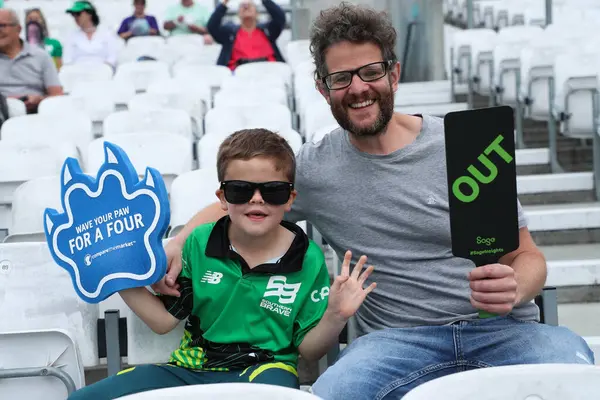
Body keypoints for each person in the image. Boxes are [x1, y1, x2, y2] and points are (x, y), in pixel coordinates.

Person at [154, 3, 596, 399]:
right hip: (395, 342)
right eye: (341, 78)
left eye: (370, 72)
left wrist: (516, 285)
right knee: (331, 394)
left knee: (577, 372)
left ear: (394, 74)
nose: (358, 88)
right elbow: (241, 197)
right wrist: (178, 242)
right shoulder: (316, 168)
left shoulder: (465, 146)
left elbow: (529, 256)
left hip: (500, 330)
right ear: (323, 88)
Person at [67, 128, 375, 399]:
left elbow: (309, 350)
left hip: (265, 370)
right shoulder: (199, 242)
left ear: (290, 198)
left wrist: (335, 315)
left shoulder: (307, 257)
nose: (257, 200)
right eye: (240, 190)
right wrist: (115, 270)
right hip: (190, 369)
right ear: (223, 198)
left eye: (273, 191)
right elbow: (163, 322)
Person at [0, 8, 63, 113]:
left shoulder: (41, 56)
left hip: (33, 114)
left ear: (18, 29)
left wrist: (40, 100)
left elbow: (57, 95)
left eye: (2, 26)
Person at [207, 0, 286, 70]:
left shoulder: (268, 31)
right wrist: (225, 2)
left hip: (269, 74)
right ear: (238, 14)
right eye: (242, 6)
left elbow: (280, 18)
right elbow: (212, 26)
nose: (246, 7)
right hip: (238, 77)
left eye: (250, 5)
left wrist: (265, 1)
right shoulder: (229, 33)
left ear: (257, 14)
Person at [63, 1, 119, 68]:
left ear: (89, 14)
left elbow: (113, 57)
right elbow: (67, 60)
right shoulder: (71, 36)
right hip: (78, 74)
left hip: (102, 73)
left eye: (78, 14)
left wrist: (102, 69)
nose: (75, 17)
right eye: (73, 14)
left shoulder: (107, 34)